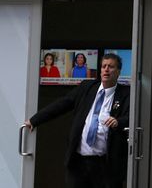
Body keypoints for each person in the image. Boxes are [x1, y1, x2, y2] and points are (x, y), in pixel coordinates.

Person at [25, 53, 129, 188]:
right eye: (104, 66)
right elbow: (62, 104)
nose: (106, 70)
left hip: (106, 164)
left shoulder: (126, 94)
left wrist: (118, 122)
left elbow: (132, 118)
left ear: (118, 71)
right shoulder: (87, 87)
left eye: (111, 67)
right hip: (79, 162)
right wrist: (34, 120)